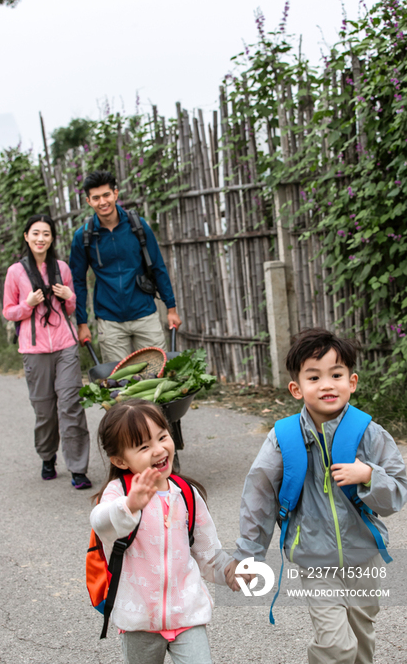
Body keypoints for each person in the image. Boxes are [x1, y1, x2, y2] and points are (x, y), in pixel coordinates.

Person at [225, 328, 407, 664]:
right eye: (314, 377)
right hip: (314, 560)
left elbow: (397, 492)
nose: (327, 384)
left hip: (363, 557)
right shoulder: (284, 439)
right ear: (297, 388)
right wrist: (249, 553)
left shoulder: (370, 434)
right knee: (337, 647)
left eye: (336, 375)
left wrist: (368, 476)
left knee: (362, 634)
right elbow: (259, 497)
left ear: (351, 382)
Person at [90, 398, 233, 664]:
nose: (159, 449)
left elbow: (207, 551)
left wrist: (231, 572)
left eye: (162, 437)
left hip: (188, 614)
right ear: (120, 460)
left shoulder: (186, 493)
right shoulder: (118, 494)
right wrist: (130, 505)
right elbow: (101, 523)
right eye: (144, 446)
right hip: (139, 619)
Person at [3, 214, 92, 489]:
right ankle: (47, 455)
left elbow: (70, 307)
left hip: (65, 345)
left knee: (71, 407)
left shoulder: (62, 268)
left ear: (52, 238)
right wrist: (27, 304)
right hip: (34, 349)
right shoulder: (15, 272)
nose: (41, 239)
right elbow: (8, 311)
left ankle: (78, 469)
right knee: (44, 411)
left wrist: (70, 297)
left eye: (46, 234)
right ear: (26, 237)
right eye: (35, 233)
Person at [69, 170, 181, 363]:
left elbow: (158, 268)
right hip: (109, 320)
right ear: (88, 201)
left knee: (156, 378)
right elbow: (77, 282)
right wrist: (81, 323)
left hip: (145, 314)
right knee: (120, 385)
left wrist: (171, 309)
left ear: (115, 194)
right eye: (96, 198)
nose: (102, 202)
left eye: (106, 195)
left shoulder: (137, 226)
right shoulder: (83, 236)